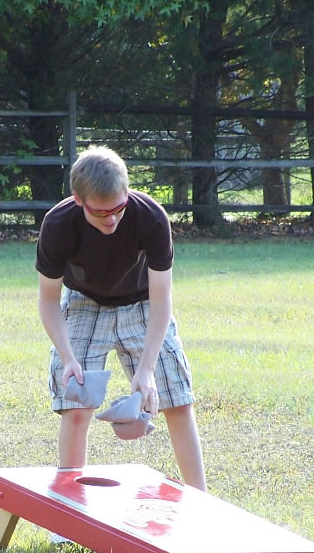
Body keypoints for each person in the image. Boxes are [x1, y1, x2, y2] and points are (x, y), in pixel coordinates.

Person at [36, 146, 206, 492]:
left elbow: (162, 299)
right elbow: (48, 301)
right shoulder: (58, 225)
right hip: (84, 303)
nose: (111, 219)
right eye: (101, 213)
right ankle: (70, 508)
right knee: (76, 405)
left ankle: (201, 501)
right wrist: (68, 358)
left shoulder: (151, 217)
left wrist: (146, 370)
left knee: (177, 400)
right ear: (79, 200)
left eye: (118, 209)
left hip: (143, 303)